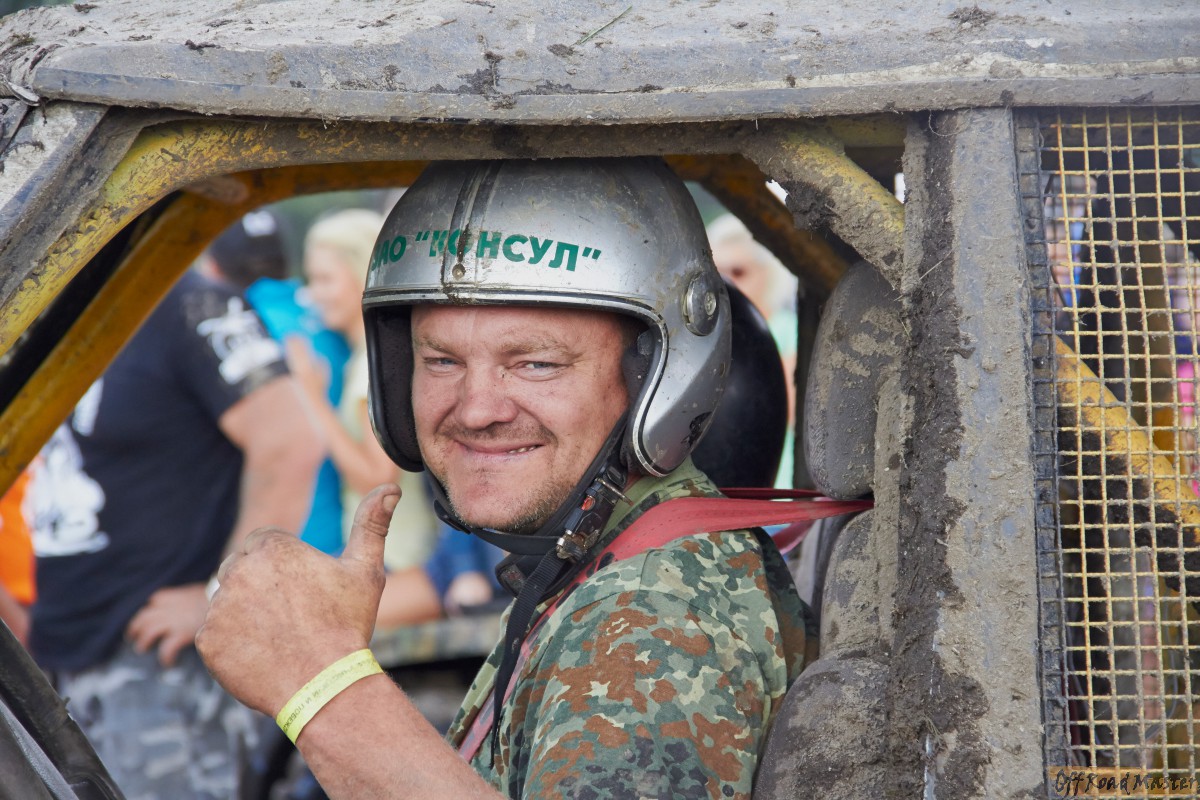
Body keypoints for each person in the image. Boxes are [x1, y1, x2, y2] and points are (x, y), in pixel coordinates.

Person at [197, 157, 814, 799]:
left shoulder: (652, 620)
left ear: (654, 379)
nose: (476, 410)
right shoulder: (598, 562)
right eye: (441, 360)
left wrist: (322, 683)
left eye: (536, 364)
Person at [27, 267, 323, 799]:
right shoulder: (63, 316)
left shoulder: (189, 306)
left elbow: (290, 440)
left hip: (156, 663)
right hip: (68, 657)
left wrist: (222, 594)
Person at [286, 208, 443, 629]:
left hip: (396, 559)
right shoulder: (369, 358)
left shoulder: (370, 371)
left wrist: (313, 401)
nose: (314, 294)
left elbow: (378, 481)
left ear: (360, 275)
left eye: (325, 279)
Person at [199, 207, 352, 556]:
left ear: (213, 268)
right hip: (342, 540)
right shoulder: (331, 316)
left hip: (271, 548)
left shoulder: (224, 337)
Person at [707, 213, 800, 488]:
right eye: (718, 272)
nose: (727, 283)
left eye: (738, 272)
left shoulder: (791, 334)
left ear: (768, 274)